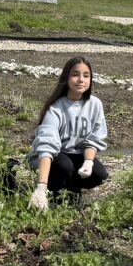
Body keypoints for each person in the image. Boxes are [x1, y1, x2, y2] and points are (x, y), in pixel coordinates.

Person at [27, 56, 109, 210]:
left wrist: (89, 162)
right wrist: (41, 187)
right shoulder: (56, 108)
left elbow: (94, 138)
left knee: (99, 174)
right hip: (51, 157)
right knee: (64, 166)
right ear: (66, 77)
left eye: (86, 75)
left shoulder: (95, 104)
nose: (80, 80)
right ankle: (52, 192)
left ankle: (72, 190)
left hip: (76, 155)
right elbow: (46, 146)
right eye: (75, 74)